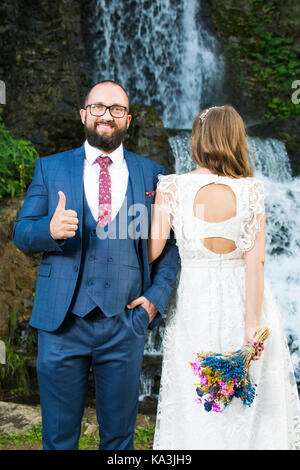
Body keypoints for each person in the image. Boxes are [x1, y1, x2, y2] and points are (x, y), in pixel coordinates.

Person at [12, 80, 179, 450]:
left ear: (128, 119)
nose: (107, 115)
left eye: (117, 109)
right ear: (84, 114)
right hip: (60, 324)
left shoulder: (153, 174)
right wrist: (49, 230)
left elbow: (169, 248)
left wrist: (154, 299)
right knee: (58, 439)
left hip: (125, 324)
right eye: (99, 107)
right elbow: (21, 232)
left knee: (119, 441)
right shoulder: (49, 168)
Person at [149, 105, 300, 450]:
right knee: (250, 399)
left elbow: (152, 251)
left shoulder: (171, 188)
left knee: (194, 395)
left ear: (197, 140)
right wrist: (251, 326)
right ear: (236, 140)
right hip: (243, 300)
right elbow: (255, 263)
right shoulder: (252, 191)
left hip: (192, 301)